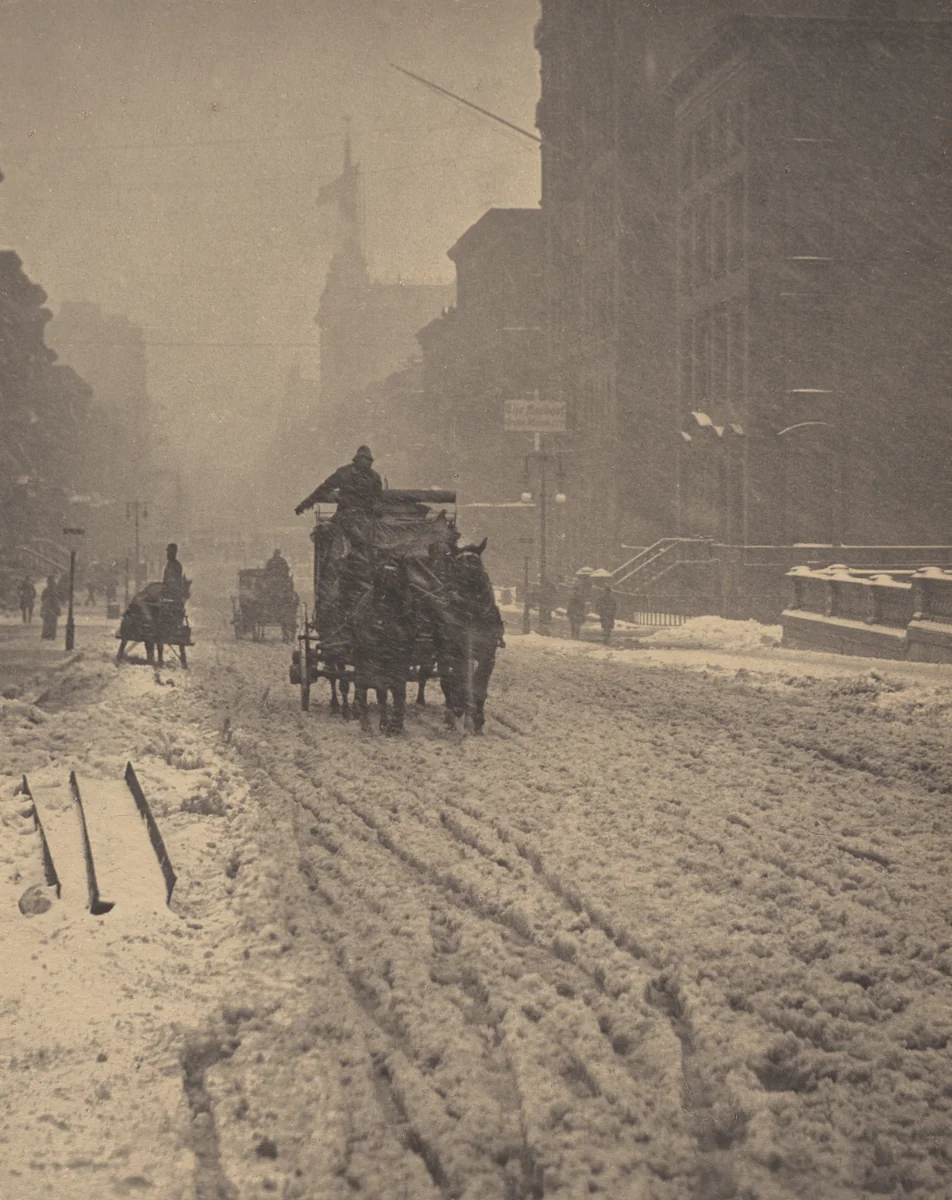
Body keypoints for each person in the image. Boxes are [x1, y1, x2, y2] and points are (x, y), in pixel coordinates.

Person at [294, 445, 383, 535]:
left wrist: (377, 507)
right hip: (346, 514)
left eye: (368, 460)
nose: (366, 462)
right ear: (357, 459)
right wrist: (304, 505)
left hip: (367, 516)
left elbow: (378, 497)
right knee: (328, 534)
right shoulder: (344, 473)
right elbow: (323, 489)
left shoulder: (375, 477)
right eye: (364, 459)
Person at [40, 575, 61, 640]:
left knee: (48, 622)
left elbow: (42, 598)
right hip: (51, 607)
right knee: (52, 622)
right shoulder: (54, 590)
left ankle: (48, 635)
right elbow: (57, 599)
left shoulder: (47, 590)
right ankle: (51, 635)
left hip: (49, 607)